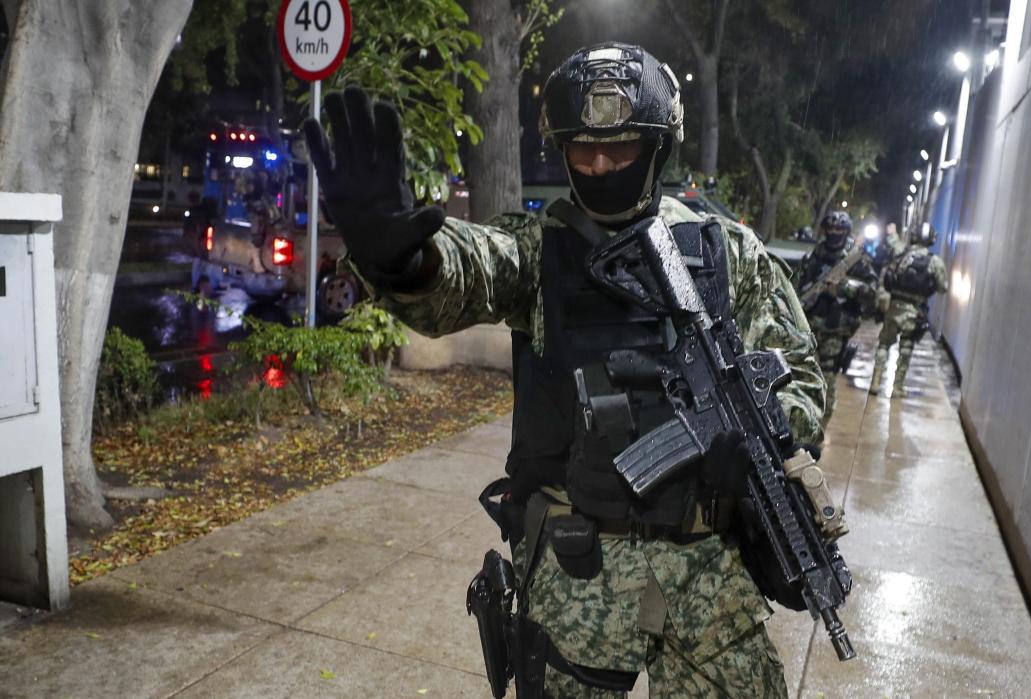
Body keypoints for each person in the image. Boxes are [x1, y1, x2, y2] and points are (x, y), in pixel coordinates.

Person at [303, 42, 826, 698]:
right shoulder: (537, 248)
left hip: (710, 571)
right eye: (582, 148)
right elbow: (468, 268)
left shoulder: (730, 253)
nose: (601, 163)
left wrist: (757, 435)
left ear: (659, 146)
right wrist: (404, 259)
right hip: (578, 572)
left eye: (621, 146)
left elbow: (802, 376)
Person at [797, 211, 873, 420]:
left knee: (828, 381)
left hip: (836, 329)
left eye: (839, 229)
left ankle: (820, 430)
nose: (834, 233)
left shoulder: (854, 258)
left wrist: (845, 288)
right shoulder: (817, 253)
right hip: (810, 327)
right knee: (805, 379)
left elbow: (871, 292)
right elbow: (801, 283)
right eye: (830, 229)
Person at [868, 222, 948, 397]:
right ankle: (897, 387)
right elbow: (943, 288)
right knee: (906, 348)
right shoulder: (934, 261)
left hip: (894, 306)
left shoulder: (902, 254)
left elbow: (890, 255)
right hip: (914, 311)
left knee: (884, 343)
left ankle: (875, 382)